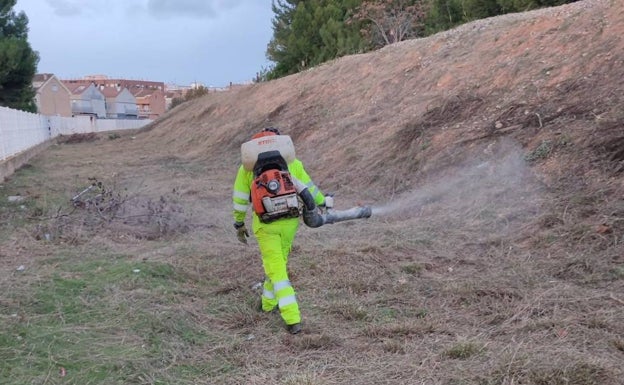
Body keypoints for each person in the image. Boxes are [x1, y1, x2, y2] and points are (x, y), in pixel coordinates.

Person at [232, 127, 326, 334]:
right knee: (277, 264)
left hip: (266, 226)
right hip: (290, 223)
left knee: (278, 270)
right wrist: (323, 202)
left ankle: (293, 319)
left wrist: (239, 223)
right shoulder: (293, 163)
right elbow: (309, 188)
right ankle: (267, 304)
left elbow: (240, 200)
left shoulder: (246, 169)